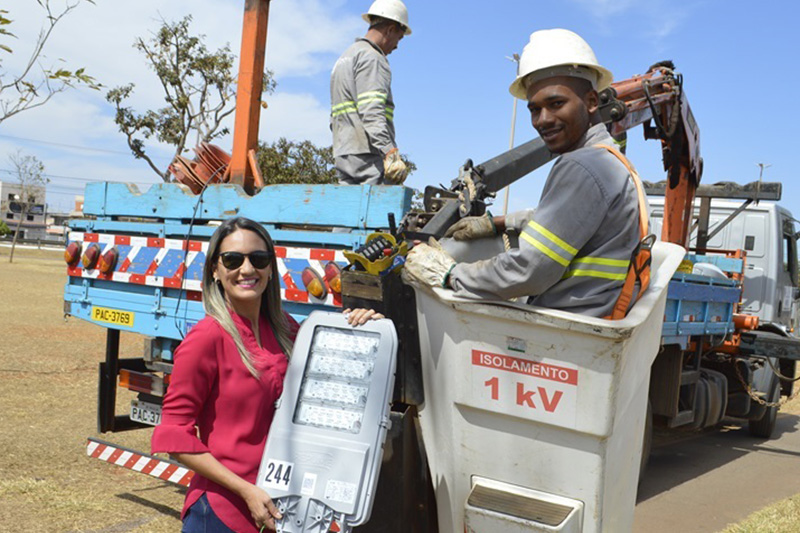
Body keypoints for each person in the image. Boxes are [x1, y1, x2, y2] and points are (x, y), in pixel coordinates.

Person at [151, 217, 382, 532]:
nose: (247, 269)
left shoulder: (286, 329)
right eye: (232, 260)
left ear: (271, 269)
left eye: (258, 259)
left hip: (284, 507)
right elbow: (175, 438)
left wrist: (360, 325)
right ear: (215, 271)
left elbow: (331, 378)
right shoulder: (206, 338)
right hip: (223, 512)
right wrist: (247, 491)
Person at [403, 29, 651, 319]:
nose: (543, 120)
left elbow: (529, 271)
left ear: (593, 101)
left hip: (562, 331)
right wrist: (496, 223)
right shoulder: (614, 163)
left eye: (556, 103)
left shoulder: (583, 166)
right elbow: (570, 222)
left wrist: (450, 274)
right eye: (534, 109)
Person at [330, 0, 411, 185]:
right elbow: (371, 111)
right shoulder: (372, 58)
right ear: (390, 29)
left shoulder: (345, 57)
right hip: (368, 152)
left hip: (344, 151)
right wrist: (389, 151)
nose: (397, 46)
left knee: (351, 206)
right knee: (377, 207)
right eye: (399, 38)